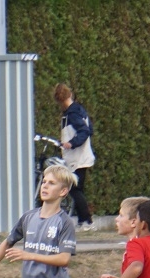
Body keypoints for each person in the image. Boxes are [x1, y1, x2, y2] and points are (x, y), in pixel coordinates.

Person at [54, 83, 96, 231]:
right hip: (83, 156)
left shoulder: (71, 114)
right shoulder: (79, 110)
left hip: (77, 157)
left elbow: (84, 131)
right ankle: (82, 220)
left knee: (75, 189)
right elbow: (90, 129)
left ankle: (87, 221)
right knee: (77, 189)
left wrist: (71, 143)